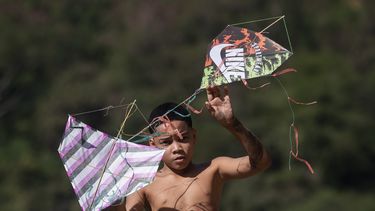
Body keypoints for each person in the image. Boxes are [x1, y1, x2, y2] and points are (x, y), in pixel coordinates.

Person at [109, 86, 271, 210]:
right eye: (166, 142)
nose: (177, 148)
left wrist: (232, 124)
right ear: (153, 144)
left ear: (194, 137)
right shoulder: (142, 185)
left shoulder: (213, 170)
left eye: (183, 138)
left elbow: (261, 162)